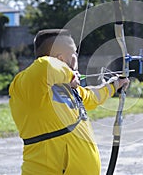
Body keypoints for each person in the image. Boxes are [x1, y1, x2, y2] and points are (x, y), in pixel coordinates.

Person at [9, 29, 129, 175]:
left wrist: (114, 86)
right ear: (60, 58)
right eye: (74, 52)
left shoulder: (67, 90)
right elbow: (44, 65)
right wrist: (70, 74)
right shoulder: (27, 84)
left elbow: (91, 97)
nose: (76, 57)